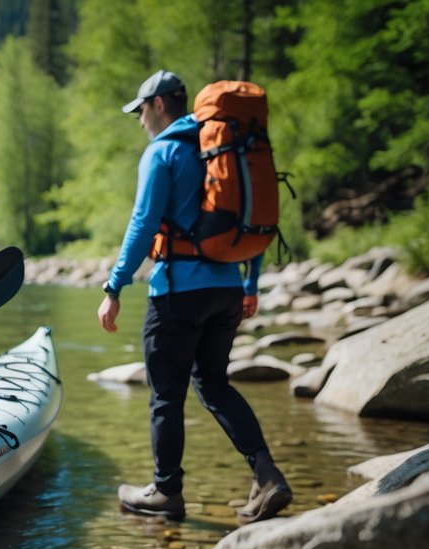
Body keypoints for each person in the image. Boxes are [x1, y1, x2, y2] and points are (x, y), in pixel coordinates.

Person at [97, 69, 291, 524]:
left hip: (178, 292)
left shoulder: (162, 151)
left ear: (158, 104)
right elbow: (250, 218)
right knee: (215, 385)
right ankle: (267, 475)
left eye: (140, 110)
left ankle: (166, 492)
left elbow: (143, 225)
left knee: (167, 396)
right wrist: (250, 283)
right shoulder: (227, 145)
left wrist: (114, 286)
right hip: (227, 290)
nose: (139, 119)